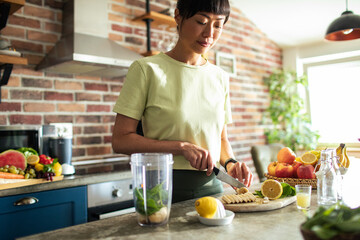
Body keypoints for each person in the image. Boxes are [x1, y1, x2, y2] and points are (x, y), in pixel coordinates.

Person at [112, 0, 253, 203]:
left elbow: (220, 139)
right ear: (178, 16)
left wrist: (231, 163)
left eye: (218, 25)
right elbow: (121, 140)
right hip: (162, 188)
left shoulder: (219, 77)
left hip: (212, 188)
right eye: (201, 21)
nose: (209, 34)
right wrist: (181, 147)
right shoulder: (146, 70)